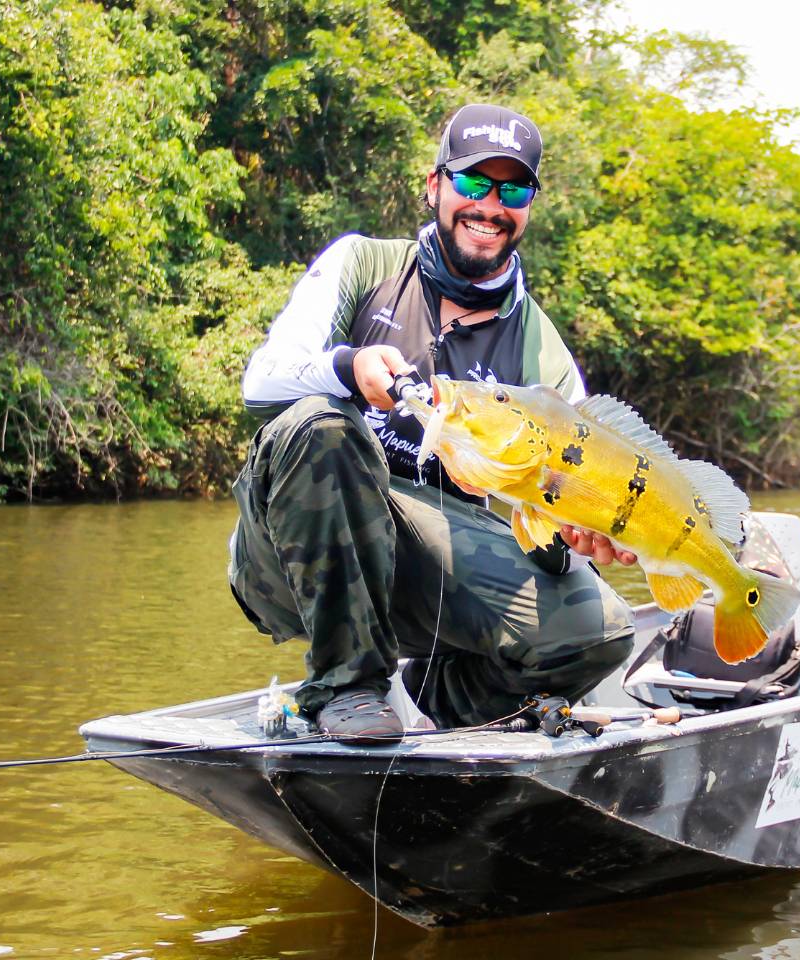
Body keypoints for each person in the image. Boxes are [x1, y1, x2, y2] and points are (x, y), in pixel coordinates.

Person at [228, 103, 636, 743]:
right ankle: (346, 687)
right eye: (474, 183)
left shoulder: (542, 355)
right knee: (318, 426)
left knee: (597, 633)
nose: (491, 205)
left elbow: (560, 503)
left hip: (429, 568)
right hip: (287, 557)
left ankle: (433, 699)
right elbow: (262, 380)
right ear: (434, 185)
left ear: (530, 203)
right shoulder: (361, 266)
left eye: (514, 188)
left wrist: (574, 534)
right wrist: (348, 365)